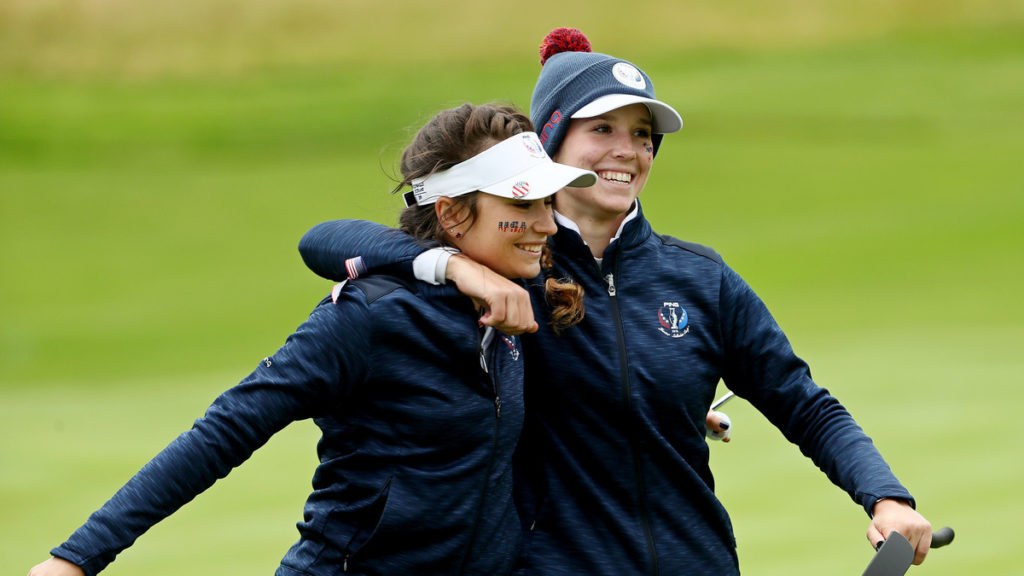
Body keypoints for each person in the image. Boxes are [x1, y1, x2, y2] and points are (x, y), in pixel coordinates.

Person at [295, 29, 933, 575]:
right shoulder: (503, 268)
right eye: (602, 129)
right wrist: (458, 267)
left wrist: (885, 498)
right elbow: (330, 240)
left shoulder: (700, 279)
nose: (629, 150)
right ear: (546, 144)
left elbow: (804, 403)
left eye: (643, 133)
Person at [26, 102, 597, 576]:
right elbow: (226, 430)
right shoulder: (367, 318)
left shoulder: (524, 300)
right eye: (523, 205)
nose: (547, 224)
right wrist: (76, 559)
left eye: (547, 203)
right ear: (450, 214)